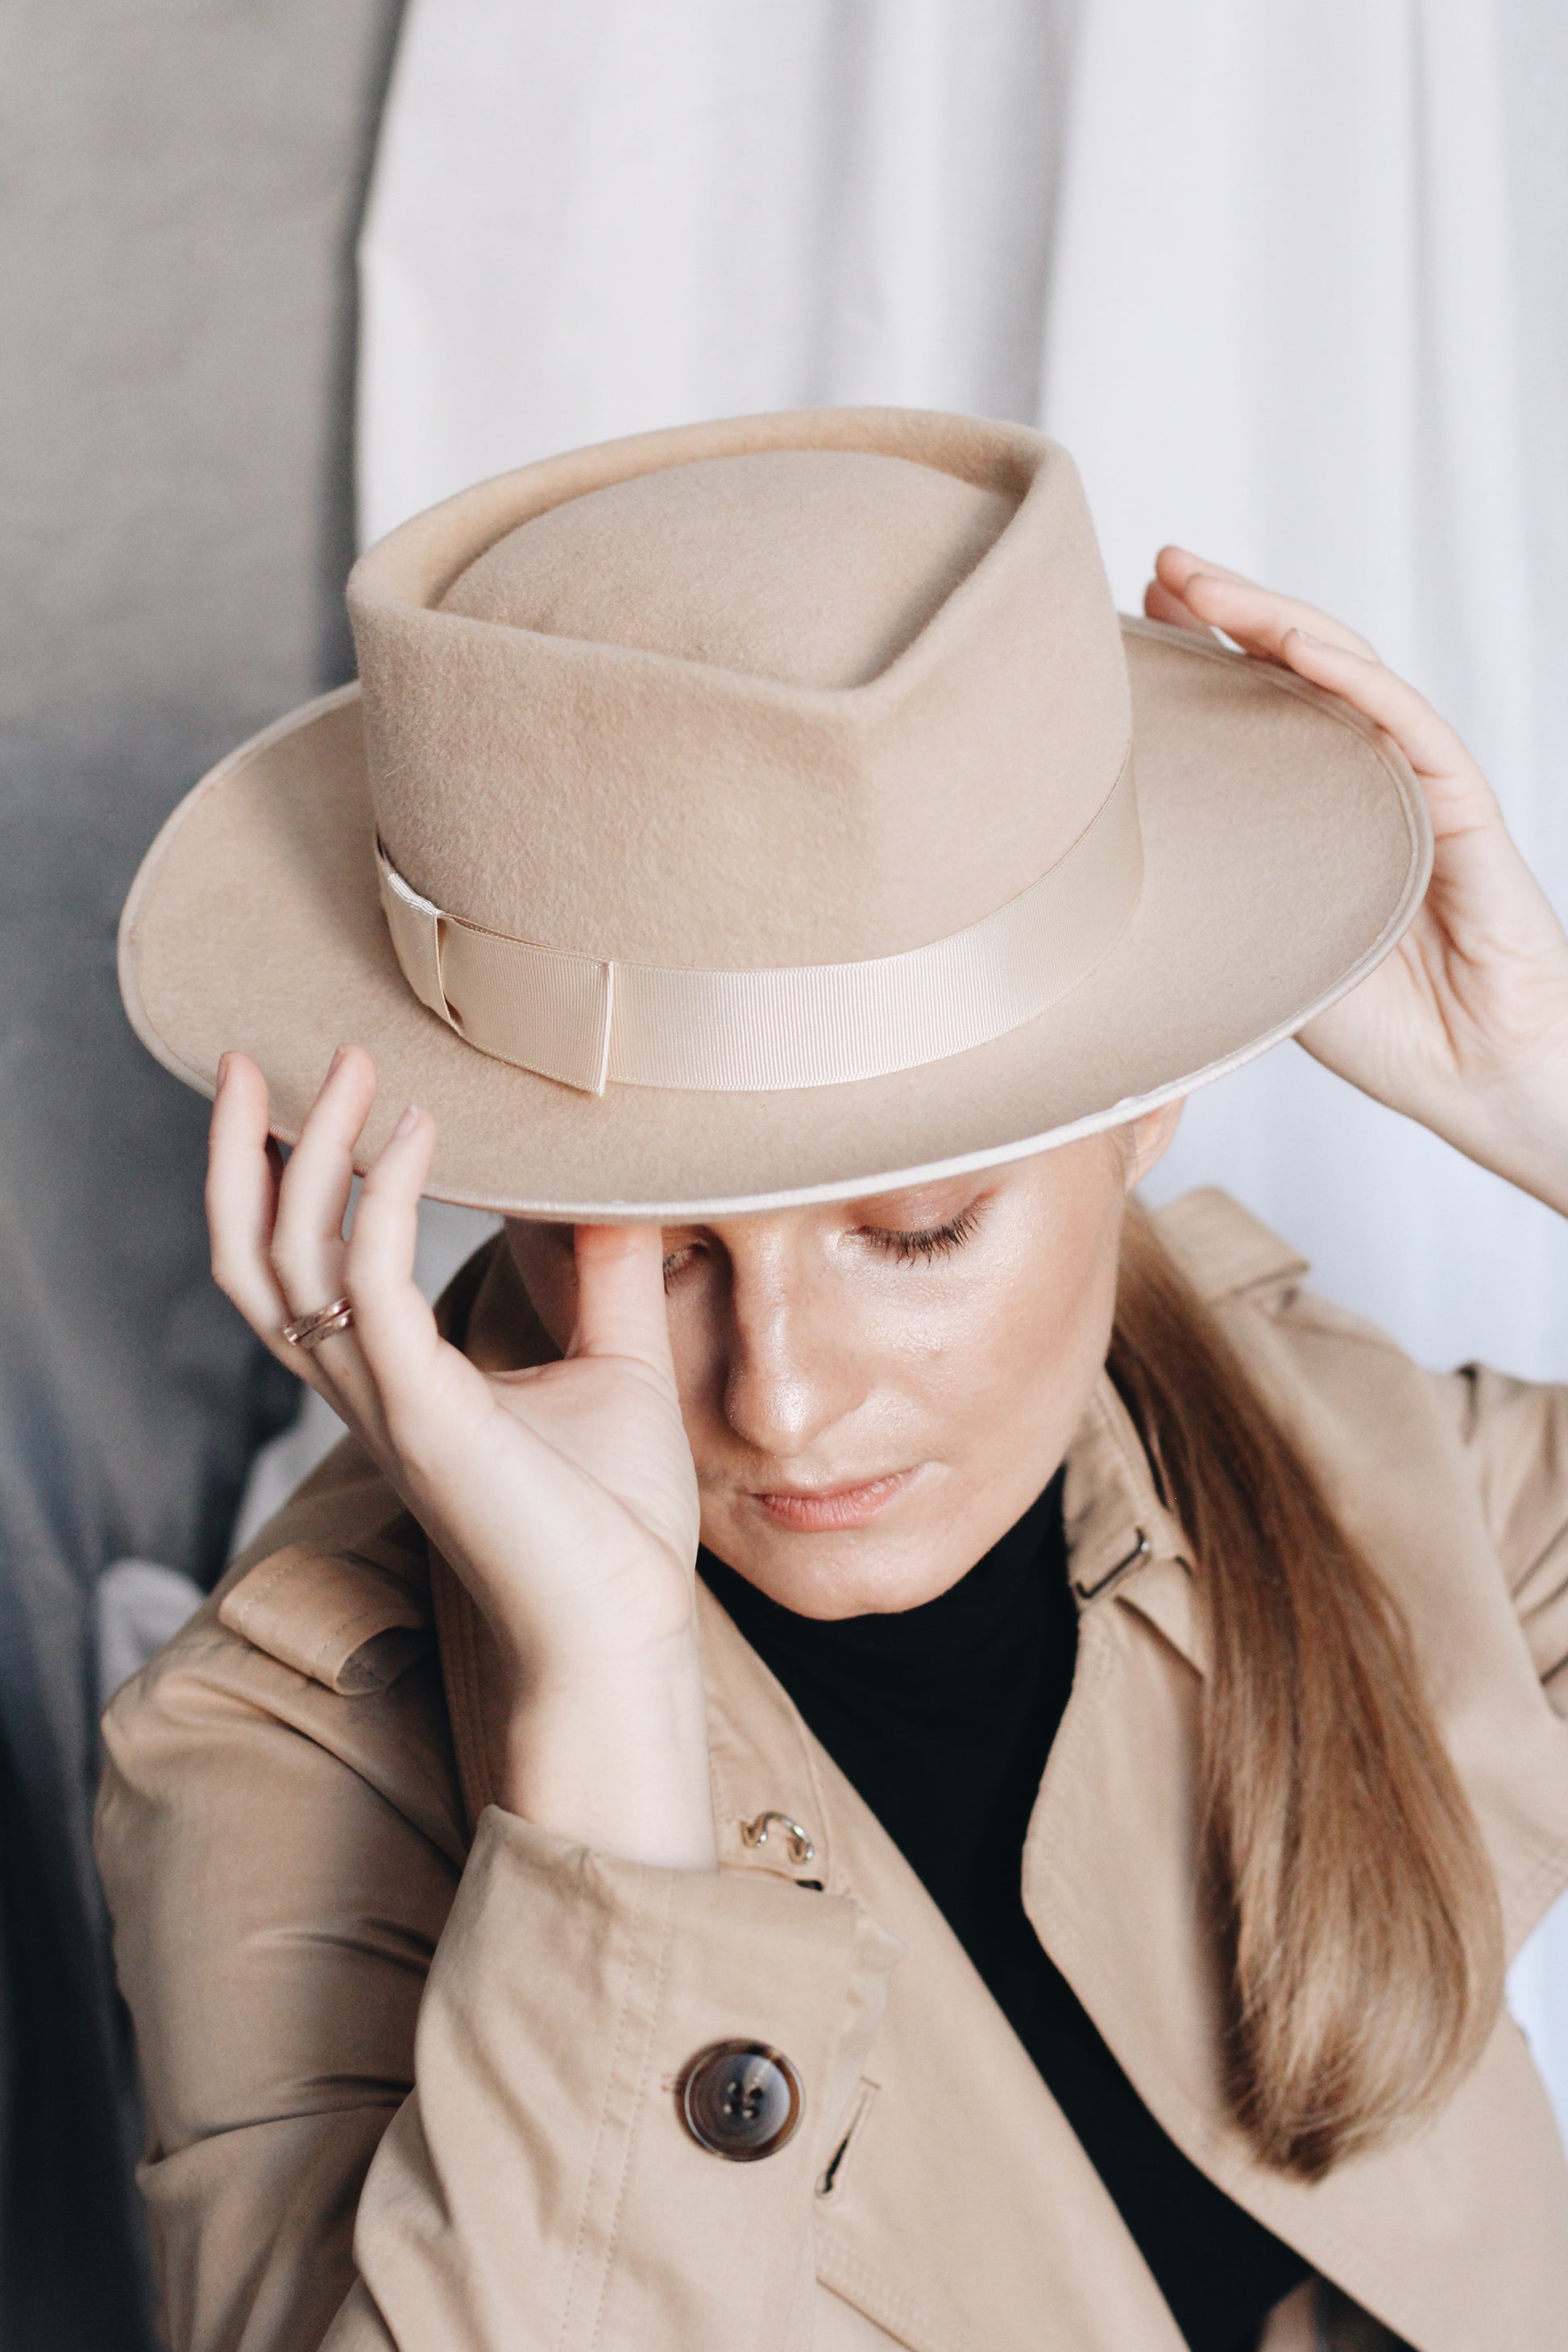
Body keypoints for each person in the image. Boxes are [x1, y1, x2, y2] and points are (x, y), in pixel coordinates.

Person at [98, 410, 1568, 2352]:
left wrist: (1545, 1111)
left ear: (1141, 1104)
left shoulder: (1311, 1435)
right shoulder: (285, 1756)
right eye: (658, 1241)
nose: (777, 1403)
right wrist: (606, 1709)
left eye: (916, 1229)